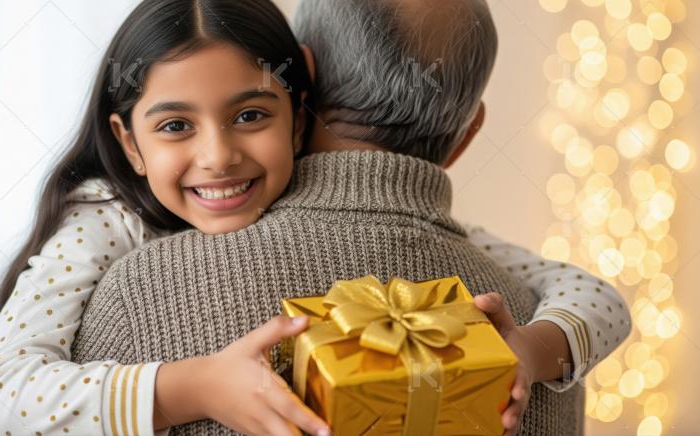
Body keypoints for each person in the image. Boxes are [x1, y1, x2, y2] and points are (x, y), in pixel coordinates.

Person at [69, 1, 631, 435]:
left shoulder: (137, 294)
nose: (216, 156)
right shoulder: (550, 348)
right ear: (469, 132)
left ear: (301, 79)